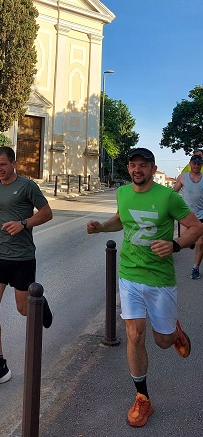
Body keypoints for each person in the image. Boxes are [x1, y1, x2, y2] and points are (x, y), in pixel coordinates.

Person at [87, 147, 203, 428]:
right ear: (129, 168)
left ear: (153, 169)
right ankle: (143, 397)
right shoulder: (123, 193)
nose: (137, 170)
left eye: (143, 165)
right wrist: (102, 227)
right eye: (133, 165)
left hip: (160, 279)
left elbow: (196, 227)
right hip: (129, 274)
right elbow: (121, 218)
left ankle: (173, 331)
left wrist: (175, 244)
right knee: (134, 334)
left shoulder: (169, 197)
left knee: (162, 342)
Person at [0, 145, 53, 391]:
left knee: (23, 309)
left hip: (21, 257)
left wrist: (24, 223)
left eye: (3, 165)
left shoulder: (28, 186)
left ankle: (40, 303)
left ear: (13, 163)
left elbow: (47, 213)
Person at [174, 155, 203, 279]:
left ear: (201, 165)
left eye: (199, 164)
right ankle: (191, 241)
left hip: (201, 214)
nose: (196, 166)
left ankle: (195, 268)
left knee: (200, 243)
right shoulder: (183, 177)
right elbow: (173, 193)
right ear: (190, 164)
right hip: (187, 216)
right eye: (194, 164)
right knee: (184, 242)